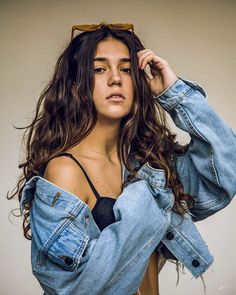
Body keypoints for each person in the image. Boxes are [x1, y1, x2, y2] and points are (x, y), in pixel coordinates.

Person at [8, 22, 236, 295]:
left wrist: (173, 93)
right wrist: (146, 199)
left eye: (126, 69)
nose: (115, 78)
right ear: (74, 86)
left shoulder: (147, 165)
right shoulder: (66, 170)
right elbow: (74, 288)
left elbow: (225, 168)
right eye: (99, 69)